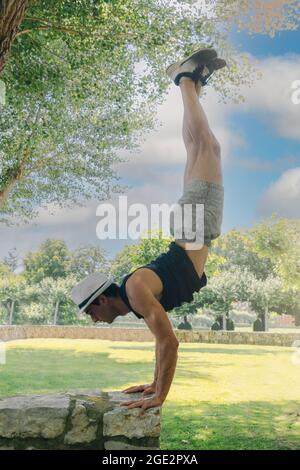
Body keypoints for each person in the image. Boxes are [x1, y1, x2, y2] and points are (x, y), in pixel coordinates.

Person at [71, 47, 226, 416]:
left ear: (103, 299)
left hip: (193, 229)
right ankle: (192, 81)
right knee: (198, 146)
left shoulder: (136, 290)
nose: (94, 320)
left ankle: (185, 78)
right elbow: (162, 344)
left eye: (91, 312)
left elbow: (169, 343)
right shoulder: (135, 295)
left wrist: (160, 396)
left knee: (207, 146)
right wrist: (154, 382)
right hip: (190, 229)